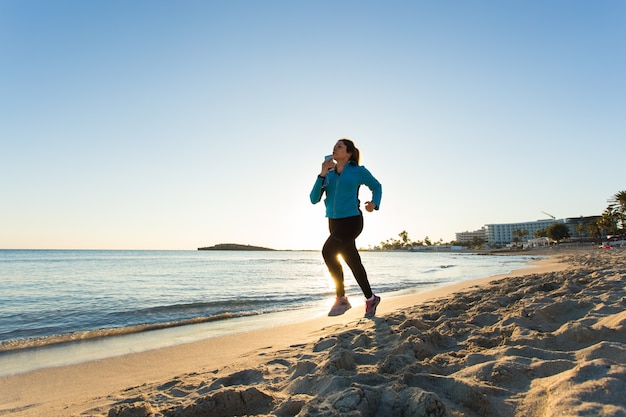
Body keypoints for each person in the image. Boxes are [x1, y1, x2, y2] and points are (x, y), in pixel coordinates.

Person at [310, 138, 383, 318]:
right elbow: (313, 199)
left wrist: (374, 203)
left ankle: (341, 297)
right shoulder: (328, 174)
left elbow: (376, 186)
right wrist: (321, 174)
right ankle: (371, 298)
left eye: (339, 146)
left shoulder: (358, 171)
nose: (335, 149)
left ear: (349, 153)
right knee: (353, 262)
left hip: (352, 220)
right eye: (334, 146)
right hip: (334, 222)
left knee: (328, 252)